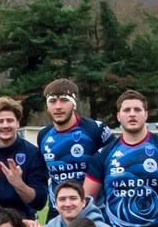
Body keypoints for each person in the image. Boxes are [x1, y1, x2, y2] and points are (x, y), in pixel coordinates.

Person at [84, 90, 158, 227]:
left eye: (137, 109)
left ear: (146, 114)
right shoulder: (103, 155)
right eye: (127, 110)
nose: (132, 114)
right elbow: (87, 202)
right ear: (118, 116)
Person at [39, 78, 113, 212]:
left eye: (64, 100)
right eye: (52, 101)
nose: (58, 106)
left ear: (74, 104)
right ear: (47, 107)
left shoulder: (95, 130)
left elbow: (113, 167)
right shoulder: (43, 136)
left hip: (93, 211)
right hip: (57, 212)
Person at [0, 95, 48, 220]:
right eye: (0, 121)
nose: (5, 125)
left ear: (18, 123)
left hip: (24, 222)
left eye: (10, 120)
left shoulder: (32, 153)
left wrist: (19, 184)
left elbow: (40, 201)